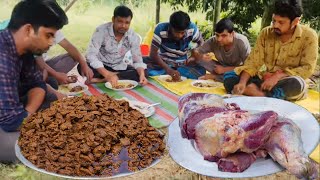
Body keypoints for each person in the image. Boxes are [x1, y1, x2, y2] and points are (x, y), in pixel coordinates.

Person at [0, 0, 68, 162]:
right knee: (34, 146)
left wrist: (29, 112)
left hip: (13, 108)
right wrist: (31, 115)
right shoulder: (2, 58)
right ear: (29, 30)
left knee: (50, 90)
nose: (52, 42)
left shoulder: (25, 50)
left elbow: (37, 84)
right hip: (6, 119)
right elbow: (11, 121)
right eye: (49, 35)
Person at [223, 0, 318, 101]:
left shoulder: (309, 36)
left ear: (295, 21)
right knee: (229, 78)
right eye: (274, 21)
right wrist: (242, 83)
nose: (275, 25)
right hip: (264, 80)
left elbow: (307, 68)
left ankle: (257, 93)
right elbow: (252, 63)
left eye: (281, 22)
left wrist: (277, 76)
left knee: (298, 85)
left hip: (287, 79)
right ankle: (265, 95)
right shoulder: (266, 33)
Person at [84, 5, 148, 87]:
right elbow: (91, 55)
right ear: (113, 19)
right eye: (120, 21)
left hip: (119, 67)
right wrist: (107, 74)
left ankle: (101, 80)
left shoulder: (133, 36)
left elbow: (137, 60)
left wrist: (142, 75)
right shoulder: (101, 31)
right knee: (82, 66)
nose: (123, 26)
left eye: (127, 23)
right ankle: (112, 77)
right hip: (101, 67)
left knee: (144, 72)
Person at [145, 11, 205, 80]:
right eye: (176, 32)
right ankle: (170, 73)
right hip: (163, 63)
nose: (179, 35)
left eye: (182, 33)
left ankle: (174, 73)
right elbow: (153, 54)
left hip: (183, 64)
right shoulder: (160, 29)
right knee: (149, 72)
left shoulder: (192, 28)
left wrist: (194, 57)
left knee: (201, 71)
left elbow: (202, 44)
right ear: (170, 27)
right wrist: (168, 69)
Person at [192, 18, 251, 82]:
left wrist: (224, 69)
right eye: (217, 35)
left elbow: (249, 66)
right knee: (199, 59)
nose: (219, 39)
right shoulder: (213, 40)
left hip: (236, 69)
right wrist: (201, 56)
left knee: (245, 74)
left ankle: (216, 77)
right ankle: (220, 76)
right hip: (219, 68)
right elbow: (195, 51)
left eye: (223, 36)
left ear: (232, 34)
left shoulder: (241, 41)